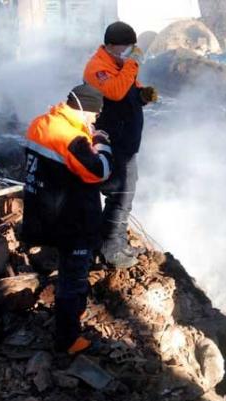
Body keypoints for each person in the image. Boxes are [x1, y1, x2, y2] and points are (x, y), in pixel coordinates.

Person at [21, 84, 112, 354]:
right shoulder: (73, 139)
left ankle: (71, 318)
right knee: (73, 278)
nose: (95, 120)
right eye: (94, 115)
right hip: (72, 221)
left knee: (68, 272)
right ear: (84, 109)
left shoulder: (40, 123)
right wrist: (102, 143)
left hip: (42, 214)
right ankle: (68, 339)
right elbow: (101, 171)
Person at [83, 21, 158, 268]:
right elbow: (114, 92)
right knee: (120, 193)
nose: (130, 52)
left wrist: (142, 95)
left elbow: (127, 89)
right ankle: (110, 246)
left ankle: (114, 240)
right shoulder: (97, 67)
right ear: (112, 46)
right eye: (127, 48)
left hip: (126, 141)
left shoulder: (119, 64)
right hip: (111, 140)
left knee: (126, 193)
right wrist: (133, 64)